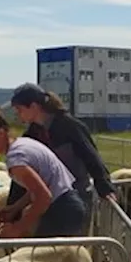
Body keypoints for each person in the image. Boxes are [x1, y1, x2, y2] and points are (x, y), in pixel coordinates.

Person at [0, 105, 86, 238]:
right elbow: (41, 186)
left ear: (0, 134)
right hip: (68, 206)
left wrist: (17, 228)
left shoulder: (16, 160)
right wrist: (15, 208)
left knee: (41, 257)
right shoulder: (23, 144)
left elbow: (44, 197)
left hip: (61, 211)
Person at [10, 83, 117, 214]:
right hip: (50, 202)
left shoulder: (70, 126)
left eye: (19, 109)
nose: (17, 114)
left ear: (33, 106)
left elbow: (91, 157)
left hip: (77, 198)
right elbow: (23, 169)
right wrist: (13, 205)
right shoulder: (32, 135)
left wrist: (105, 187)